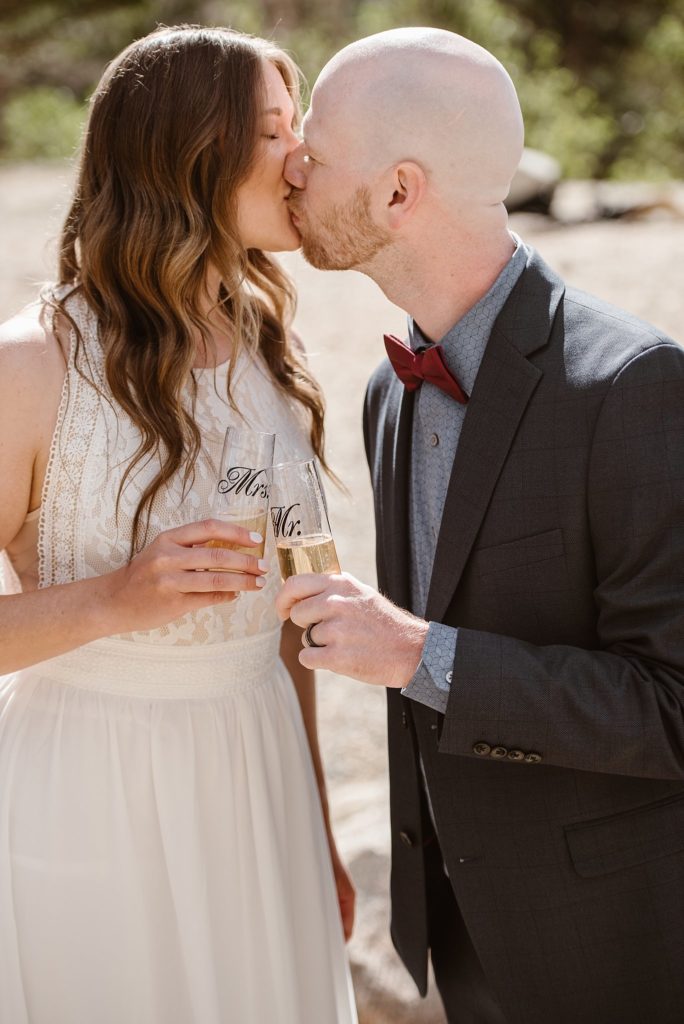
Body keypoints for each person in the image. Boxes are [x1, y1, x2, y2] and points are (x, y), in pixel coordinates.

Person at [277, 26, 684, 1024]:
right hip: (457, 937)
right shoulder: (387, 388)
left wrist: (420, 652)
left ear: (398, 193)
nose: (291, 167)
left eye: (314, 152)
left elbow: (672, 705)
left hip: (614, 945)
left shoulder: (633, 383)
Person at [0, 25, 357, 1024]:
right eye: (277, 132)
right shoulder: (29, 369)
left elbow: (292, 624)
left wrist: (319, 824)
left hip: (260, 776)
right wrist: (115, 598)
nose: (304, 159)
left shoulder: (268, 343)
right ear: (190, 154)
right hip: (93, 796)